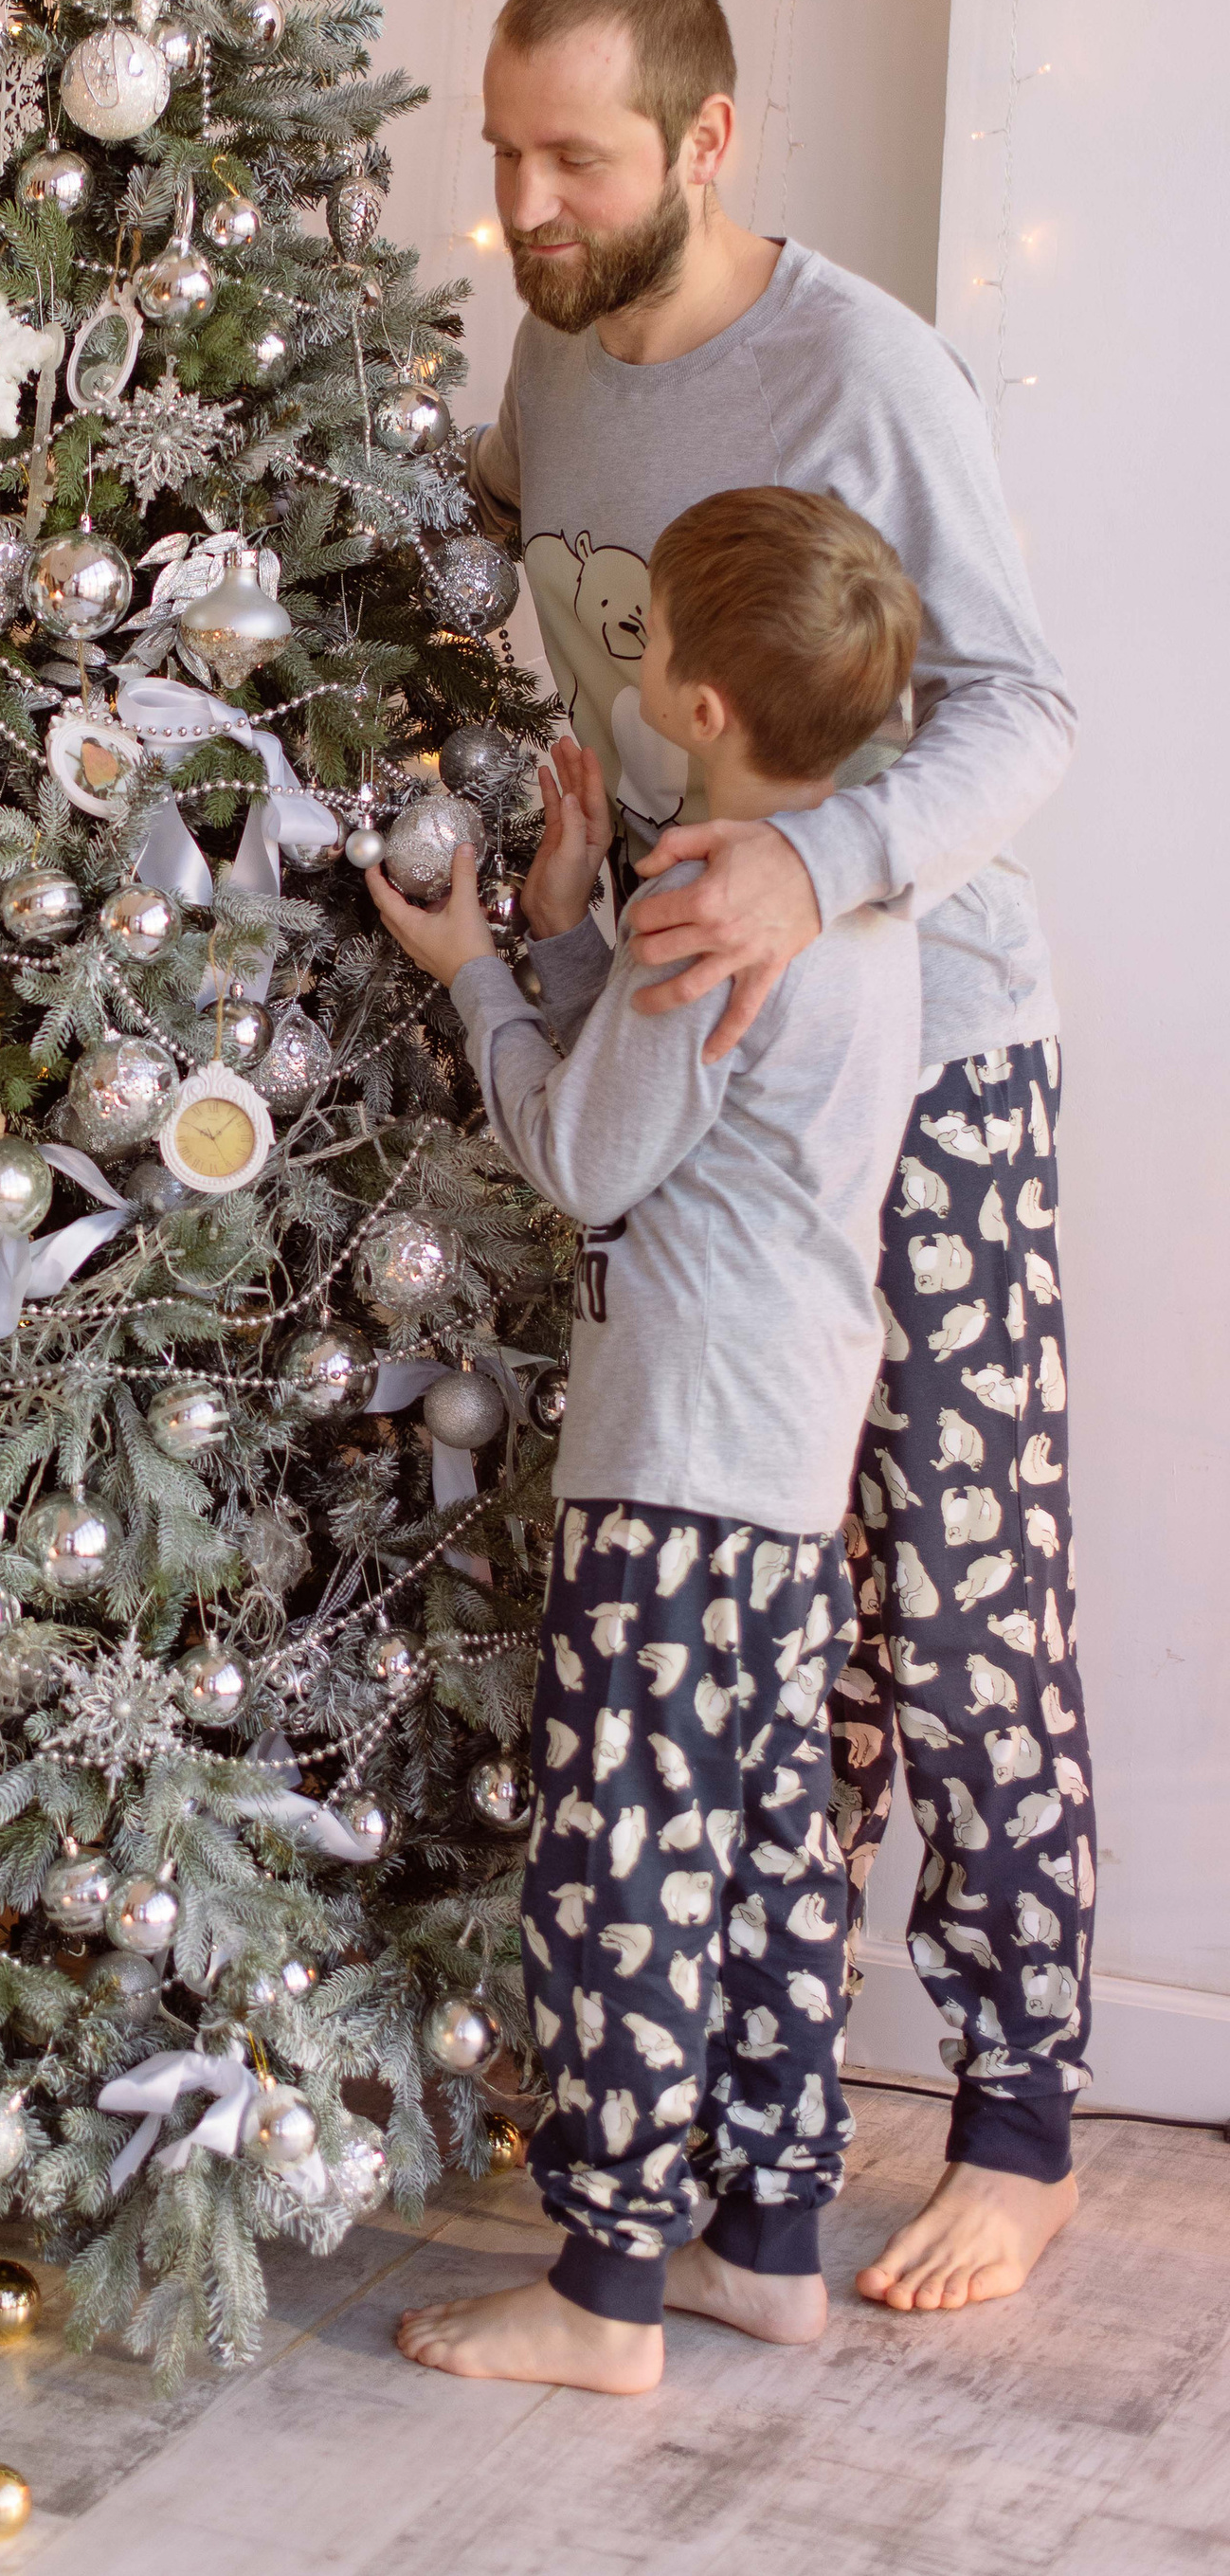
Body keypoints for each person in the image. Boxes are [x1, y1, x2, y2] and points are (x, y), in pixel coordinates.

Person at [461, 0, 1087, 2316]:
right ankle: (747, 2167)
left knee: (958, 1594)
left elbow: (1021, 704)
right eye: (501, 148)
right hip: (671, 1065)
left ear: (702, 144)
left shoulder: (859, 369)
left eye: (574, 158)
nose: (522, 200)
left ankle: (1018, 2118)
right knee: (753, 1637)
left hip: (914, 1059)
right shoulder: (543, 351)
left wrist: (812, 864)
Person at [376, 488, 922, 2390]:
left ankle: (603, 2284)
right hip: (781, 1466)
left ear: (690, 698)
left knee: (622, 1861)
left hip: (672, 1467)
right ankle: (762, 2235)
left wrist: (471, 968)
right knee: (766, 1846)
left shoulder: (703, 916)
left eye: (637, 651)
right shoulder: (849, 901)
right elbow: (697, 1106)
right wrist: (575, 929)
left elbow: (585, 1155)